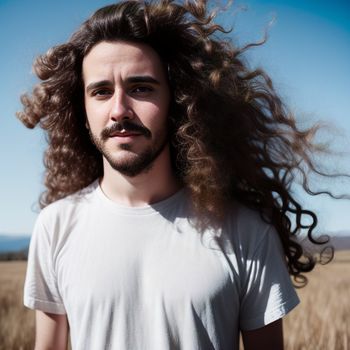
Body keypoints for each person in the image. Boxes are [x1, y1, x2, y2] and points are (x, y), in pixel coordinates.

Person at [19, 1, 334, 349]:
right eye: (101, 91)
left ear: (179, 101)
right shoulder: (55, 227)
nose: (119, 109)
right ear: (82, 109)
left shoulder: (245, 232)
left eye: (141, 88)